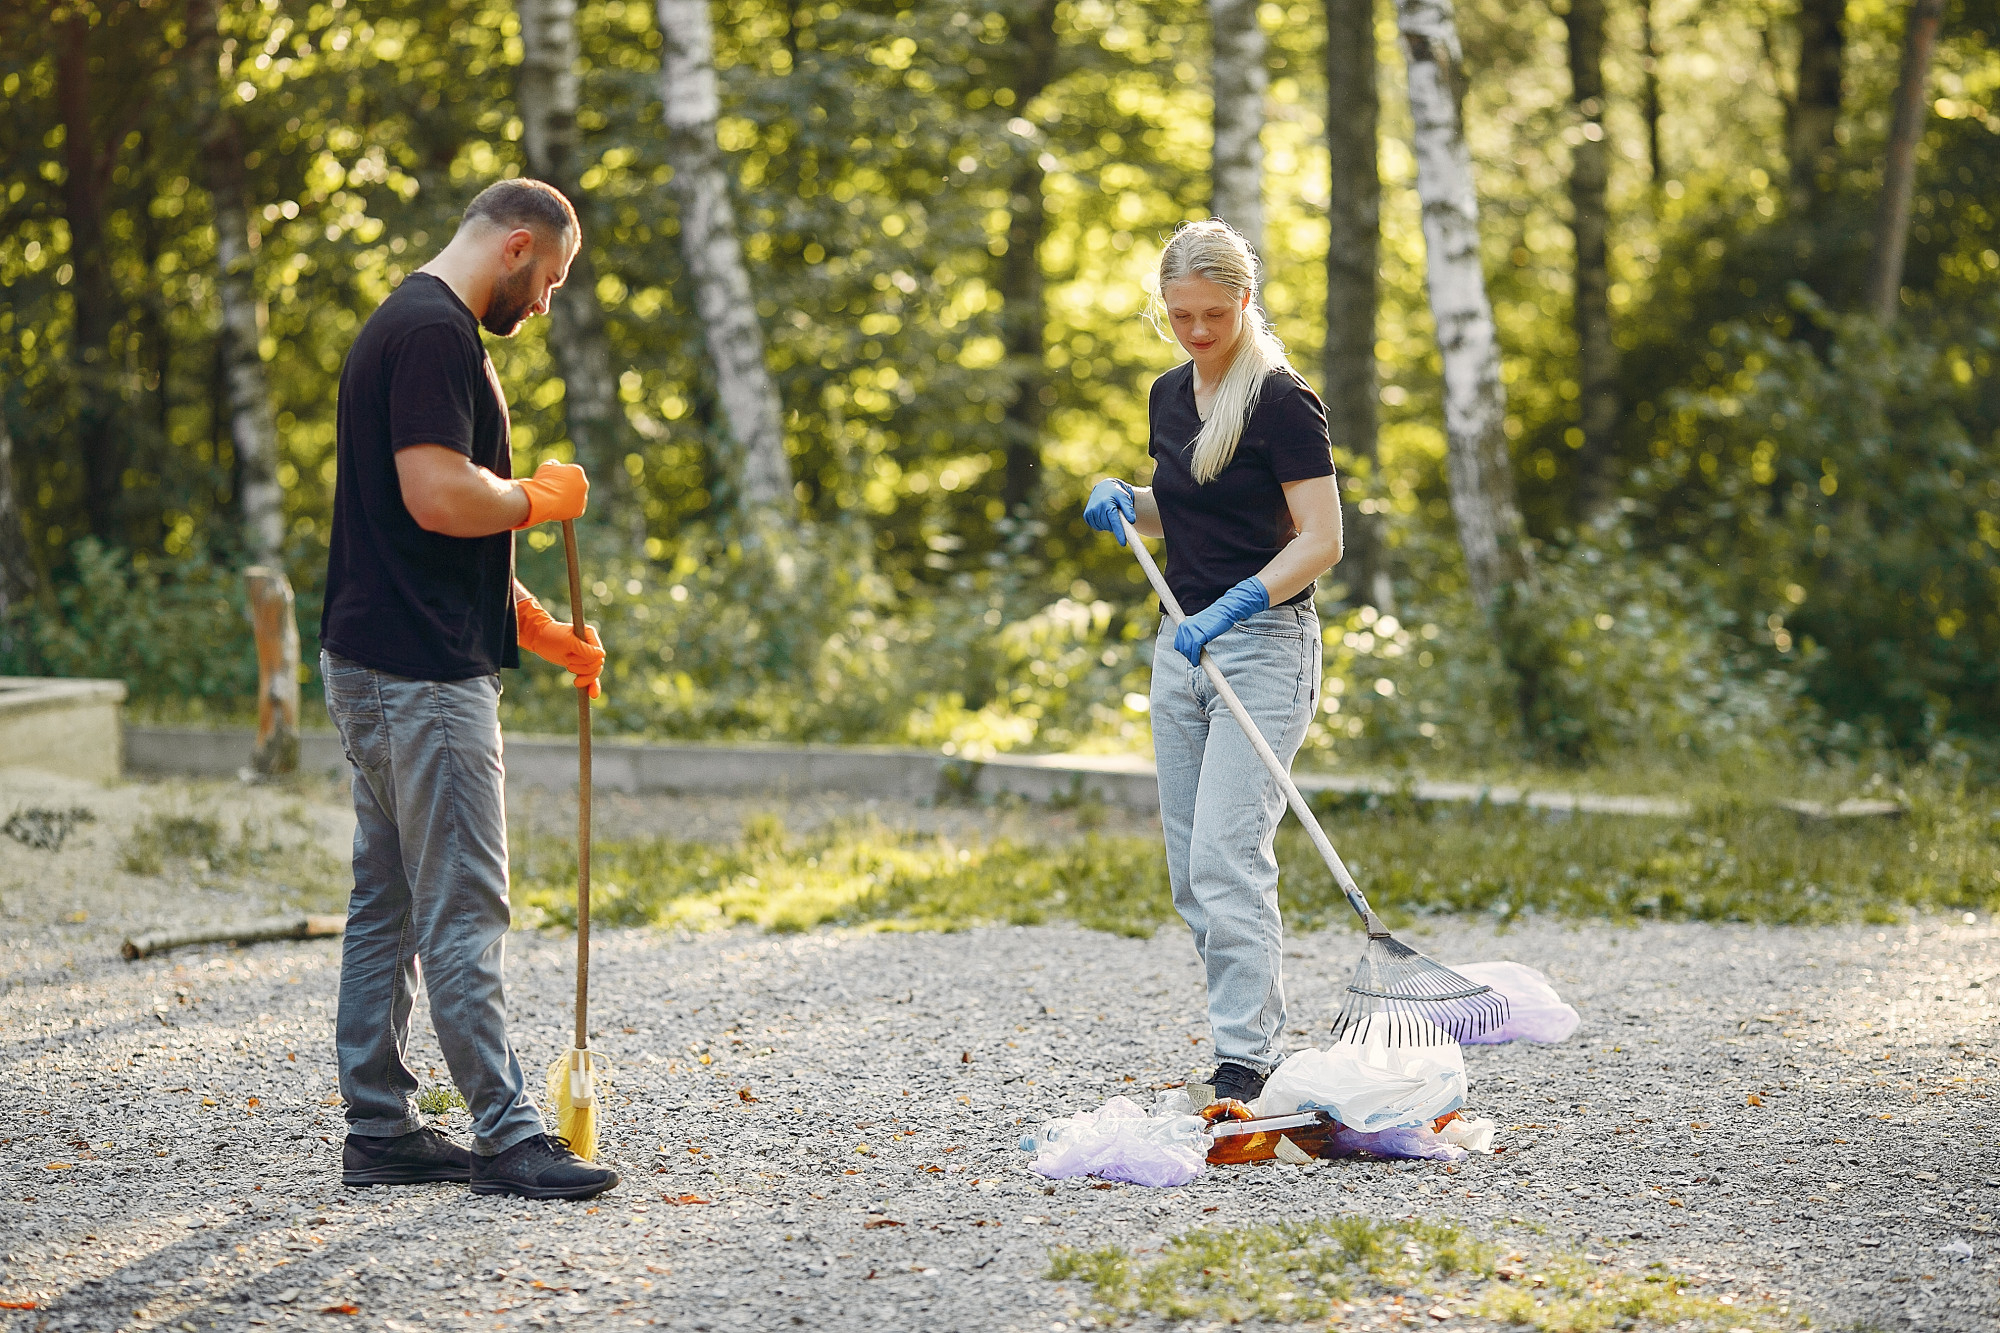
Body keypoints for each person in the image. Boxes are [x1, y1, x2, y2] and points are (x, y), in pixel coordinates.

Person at [319, 178, 619, 1200]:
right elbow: (441, 497)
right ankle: (506, 1132)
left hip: (376, 656)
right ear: (518, 245)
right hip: (418, 676)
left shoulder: (403, 326)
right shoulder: (437, 335)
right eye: (550, 280)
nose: (543, 304)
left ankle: (380, 1128)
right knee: (461, 905)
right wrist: (537, 497)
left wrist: (545, 633)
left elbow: (434, 538)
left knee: (390, 900)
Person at [1084, 219, 1343, 1107]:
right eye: (1181, 315)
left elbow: (1321, 540)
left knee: (1230, 858)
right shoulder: (1169, 393)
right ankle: (1244, 1034)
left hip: (1264, 647)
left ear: (1245, 301)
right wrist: (1132, 503)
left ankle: (1247, 1055)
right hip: (1179, 647)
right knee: (1192, 868)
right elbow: (1191, 512)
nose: (1197, 332)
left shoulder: (1281, 398)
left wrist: (1239, 603)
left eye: (1213, 315)